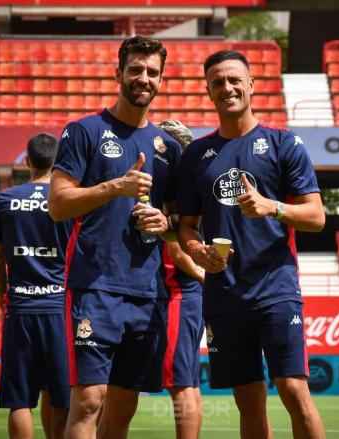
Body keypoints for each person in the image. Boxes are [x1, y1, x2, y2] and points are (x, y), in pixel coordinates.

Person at [176, 50, 327, 439]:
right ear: (208, 91)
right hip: (224, 297)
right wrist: (198, 252)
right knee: (247, 396)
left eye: (234, 79)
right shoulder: (195, 156)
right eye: (217, 82)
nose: (227, 87)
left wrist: (271, 207)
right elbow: (187, 229)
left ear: (251, 85)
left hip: (275, 290)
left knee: (294, 390)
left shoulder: (283, 143)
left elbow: (316, 216)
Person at [47, 36, 181, 439]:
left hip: (146, 290)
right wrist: (114, 187)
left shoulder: (168, 147)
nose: (144, 78)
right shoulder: (84, 131)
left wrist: (164, 222)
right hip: (95, 284)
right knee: (88, 399)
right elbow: (58, 203)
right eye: (136, 69)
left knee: (124, 404)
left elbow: (177, 222)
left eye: (152, 72)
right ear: (118, 73)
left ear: (161, 79)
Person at [0, 133, 72, 439]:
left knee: (20, 401)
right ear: (59, 162)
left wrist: (2, 301)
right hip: (59, 310)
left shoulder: (5, 199)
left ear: (27, 162)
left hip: (20, 308)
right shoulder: (69, 200)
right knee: (62, 398)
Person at [158, 120, 204, 439]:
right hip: (190, 296)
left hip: (179, 294)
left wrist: (204, 277)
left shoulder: (175, 189)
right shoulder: (194, 184)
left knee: (180, 385)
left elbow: (177, 251)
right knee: (189, 383)